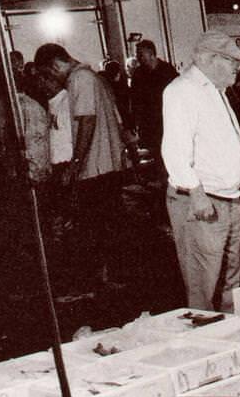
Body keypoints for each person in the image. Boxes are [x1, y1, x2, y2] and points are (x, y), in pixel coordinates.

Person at [162, 30, 240, 311]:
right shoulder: (182, 91)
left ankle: (229, 338)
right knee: (203, 284)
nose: (238, 67)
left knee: (229, 279)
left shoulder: (217, 91)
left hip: (228, 197)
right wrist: (196, 194)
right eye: (233, 61)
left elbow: (221, 139)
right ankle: (207, 340)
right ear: (210, 59)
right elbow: (174, 150)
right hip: (202, 201)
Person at [34, 43, 130, 287]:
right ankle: (113, 273)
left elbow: (87, 121)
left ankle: (109, 276)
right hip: (105, 164)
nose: (52, 79)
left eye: (50, 73)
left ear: (55, 64)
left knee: (99, 225)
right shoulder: (94, 78)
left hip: (97, 166)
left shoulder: (80, 79)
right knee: (108, 223)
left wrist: (76, 163)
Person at [129, 39, 178, 153]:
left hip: (167, 122)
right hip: (149, 126)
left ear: (151, 54)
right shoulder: (138, 74)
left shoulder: (167, 71)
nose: (138, 57)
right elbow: (135, 100)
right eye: (137, 54)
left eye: (140, 54)